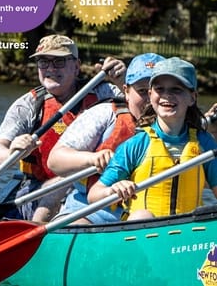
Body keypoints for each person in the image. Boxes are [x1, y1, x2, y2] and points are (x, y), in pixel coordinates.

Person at [0, 34, 126, 223]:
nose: (50, 69)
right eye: (43, 62)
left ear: (76, 66)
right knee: (65, 179)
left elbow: (141, 106)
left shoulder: (104, 92)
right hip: (39, 189)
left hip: (97, 185)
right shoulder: (29, 105)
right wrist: (13, 152)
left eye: (59, 62)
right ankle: (37, 232)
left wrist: (122, 80)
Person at [88, 57, 217, 221]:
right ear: (150, 95)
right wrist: (112, 190)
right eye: (159, 89)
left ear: (192, 97)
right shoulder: (137, 144)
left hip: (187, 236)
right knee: (142, 215)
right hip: (143, 236)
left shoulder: (204, 142)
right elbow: (94, 194)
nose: (167, 96)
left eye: (176, 89)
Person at [47, 53, 165, 224]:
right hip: (92, 210)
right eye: (141, 92)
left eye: (157, 91)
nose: (150, 100)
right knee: (78, 226)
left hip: (152, 213)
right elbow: (55, 161)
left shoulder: (179, 126)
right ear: (126, 91)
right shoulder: (105, 114)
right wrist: (93, 158)